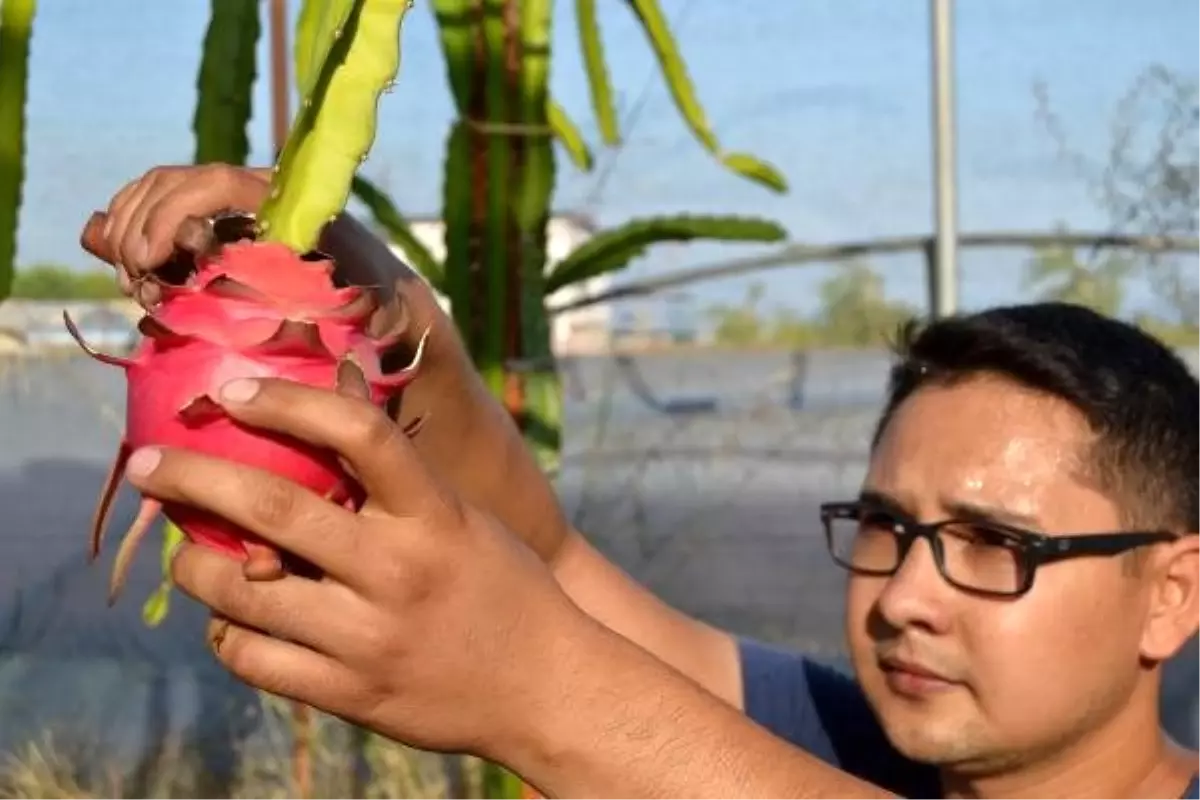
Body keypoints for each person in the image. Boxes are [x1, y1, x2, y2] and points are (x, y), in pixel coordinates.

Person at [81, 164, 1200, 799]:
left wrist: (539, 690)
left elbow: (567, 663)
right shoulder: (848, 738)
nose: (905, 595)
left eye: (994, 542)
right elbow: (553, 562)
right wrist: (373, 299)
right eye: (884, 526)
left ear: (1172, 593)